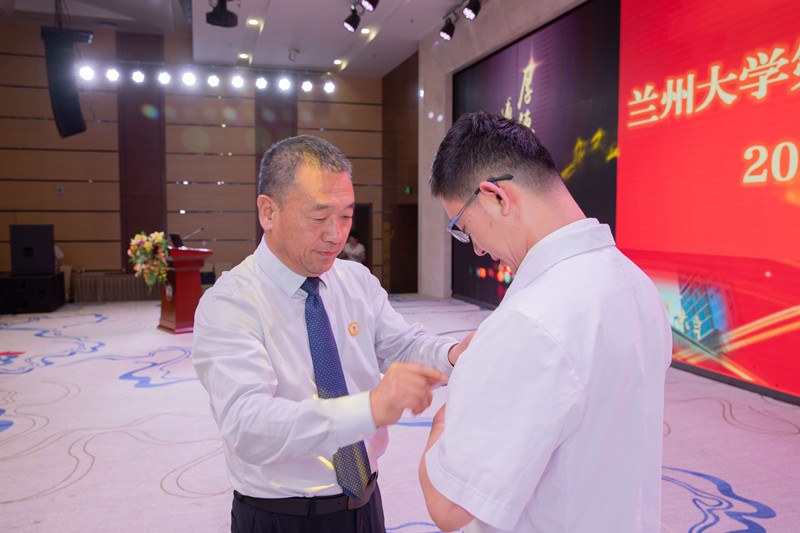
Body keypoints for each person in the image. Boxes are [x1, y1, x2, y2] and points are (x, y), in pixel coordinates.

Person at [192, 135, 471, 533]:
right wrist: (369, 409)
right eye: (319, 217)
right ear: (268, 212)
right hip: (281, 517)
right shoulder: (231, 304)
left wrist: (454, 354)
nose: (336, 235)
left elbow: (401, 344)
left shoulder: (356, 280)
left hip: (365, 503)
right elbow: (247, 425)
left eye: (345, 216)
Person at [418, 112, 672, 532]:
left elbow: (448, 505)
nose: (477, 249)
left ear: (495, 197)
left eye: (464, 228)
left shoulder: (529, 320)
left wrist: (448, 413)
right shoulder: (636, 283)